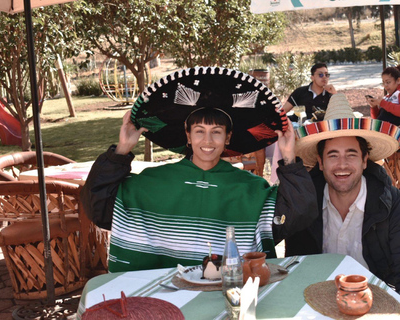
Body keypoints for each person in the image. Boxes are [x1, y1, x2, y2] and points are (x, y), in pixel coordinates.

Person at [81, 67, 287, 272]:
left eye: (216, 131)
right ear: (187, 136)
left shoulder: (252, 189)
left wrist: (288, 158)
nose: (207, 140)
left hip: (228, 291)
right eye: (199, 131)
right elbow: (98, 206)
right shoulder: (150, 183)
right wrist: (122, 150)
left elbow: (293, 216)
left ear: (228, 137)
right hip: (161, 294)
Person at [273, 93, 400, 314]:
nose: (342, 165)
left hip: (379, 307)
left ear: (365, 160)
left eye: (351, 155)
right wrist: (289, 161)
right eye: (332, 156)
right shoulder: (304, 205)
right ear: (320, 162)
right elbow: (276, 239)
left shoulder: (394, 205)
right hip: (314, 304)